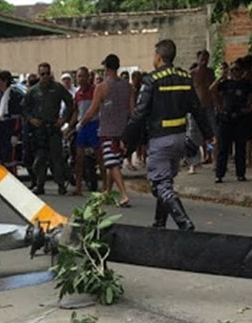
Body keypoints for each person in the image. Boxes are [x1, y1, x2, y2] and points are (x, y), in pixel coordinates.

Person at [123, 39, 213, 231]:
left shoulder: (151, 80)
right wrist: (208, 134)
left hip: (160, 140)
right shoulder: (184, 77)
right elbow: (197, 108)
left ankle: (184, 222)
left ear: (158, 56)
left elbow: (139, 114)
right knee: (166, 182)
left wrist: (126, 140)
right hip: (180, 139)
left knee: (159, 186)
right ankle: (159, 223)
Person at [78, 53, 133, 207]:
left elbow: (93, 110)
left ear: (106, 68)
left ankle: (123, 194)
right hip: (123, 130)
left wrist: (82, 122)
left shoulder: (102, 87)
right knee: (113, 162)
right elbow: (132, 111)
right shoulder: (128, 87)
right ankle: (106, 192)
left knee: (111, 164)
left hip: (108, 130)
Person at [22, 61, 73, 195]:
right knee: (39, 160)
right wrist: (31, 119)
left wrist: (63, 119)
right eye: (42, 74)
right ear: (39, 75)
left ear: (50, 74)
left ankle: (61, 185)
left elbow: (70, 103)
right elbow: (24, 108)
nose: (45, 76)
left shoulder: (57, 88)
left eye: (47, 73)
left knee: (57, 159)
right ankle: (40, 185)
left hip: (54, 127)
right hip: (39, 129)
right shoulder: (33, 91)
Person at [210, 57, 252, 183]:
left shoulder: (247, 84)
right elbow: (212, 90)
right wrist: (221, 77)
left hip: (240, 118)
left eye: (237, 69)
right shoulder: (225, 84)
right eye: (232, 70)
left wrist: (250, 107)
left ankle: (240, 174)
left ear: (241, 71)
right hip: (226, 117)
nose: (234, 72)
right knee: (223, 148)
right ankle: (220, 174)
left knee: (240, 148)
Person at [68, 66, 101, 194]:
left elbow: (97, 109)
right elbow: (76, 112)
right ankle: (78, 188)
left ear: (88, 77)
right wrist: (70, 126)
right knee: (79, 158)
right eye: (79, 76)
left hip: (94, 125)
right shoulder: (77, 94)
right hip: (82, 127)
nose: (81, 79)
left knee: (99, 157)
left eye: (83, 76)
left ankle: (104, 188)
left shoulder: (95, 91)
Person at [0, 70, 23, 170]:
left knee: (9, 159)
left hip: (9, 130)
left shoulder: (15, 96)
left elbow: (18, 117)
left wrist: (16, 134)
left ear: (5, 81)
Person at [191, 49, 217, 164]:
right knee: (196, 134)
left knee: (212, 133)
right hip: (197, 108)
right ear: (198, 59)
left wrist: (217, 103)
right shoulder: (193, 74)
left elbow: (213, 90)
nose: (204, 61)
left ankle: (211, 154)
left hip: (209, 106)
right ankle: (202, 155)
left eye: (206, 59)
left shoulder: (210, 73)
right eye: (202, 59)